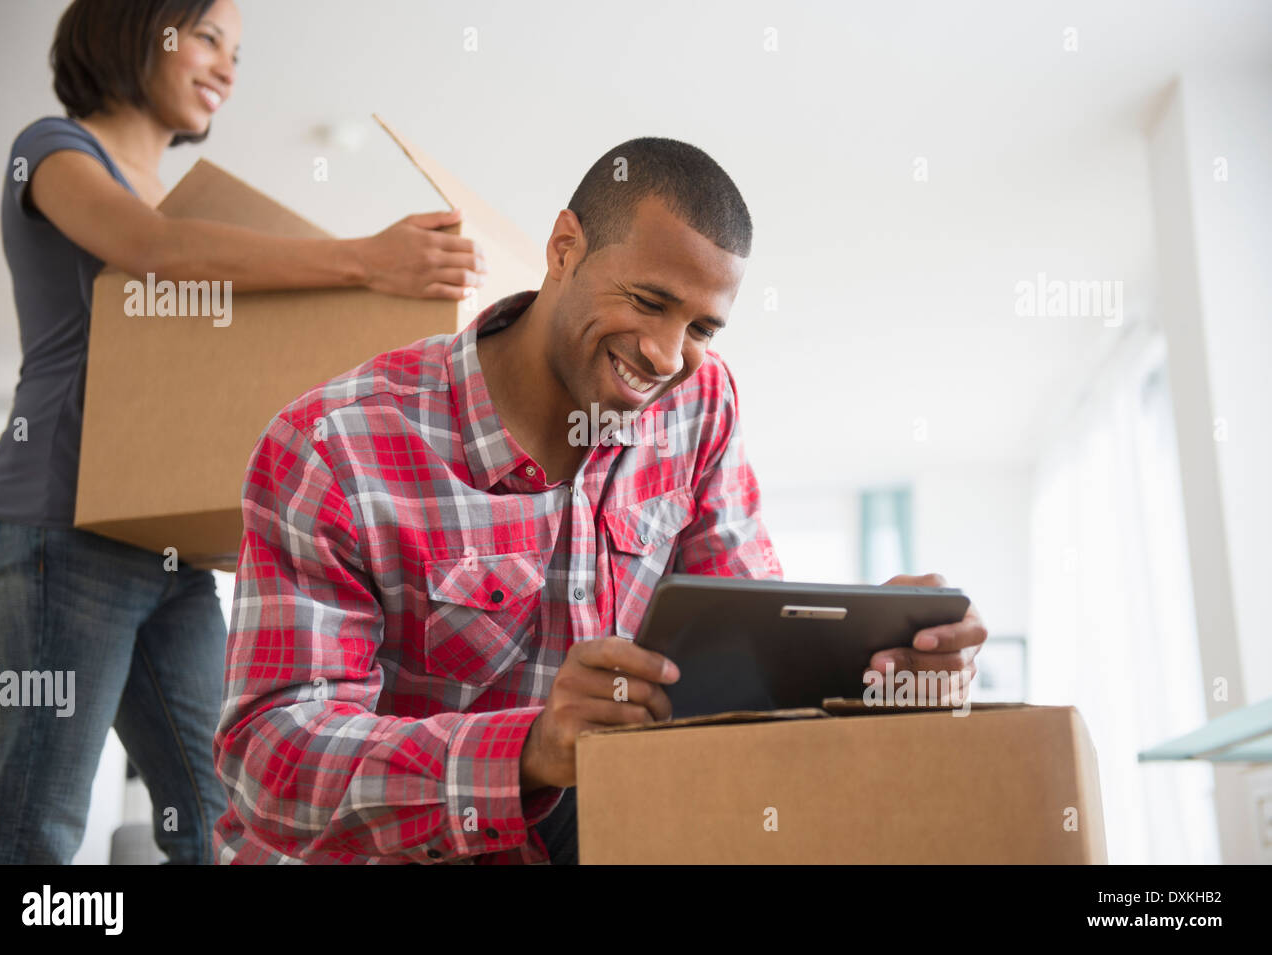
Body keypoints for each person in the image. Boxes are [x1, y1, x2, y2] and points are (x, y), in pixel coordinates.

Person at [214, 136, 988, 864]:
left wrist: (867, 668)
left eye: (700, 327)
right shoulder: (333, 447)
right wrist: (531, 748)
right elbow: (270, 759)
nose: (665, 354)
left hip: (587, 828)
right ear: (563, 249)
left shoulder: (700, 402)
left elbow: (740, 635)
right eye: (649, 301)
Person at [0, 0, 485, 864]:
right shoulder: (52, 149)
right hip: (57, 529)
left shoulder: (180, 207)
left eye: (238, 53)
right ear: (136, 28)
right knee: (35, 827)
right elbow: (154, 250)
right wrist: (366, 258)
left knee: (230, 817)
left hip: (159, 547)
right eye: (207, 37)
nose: (226, 69)